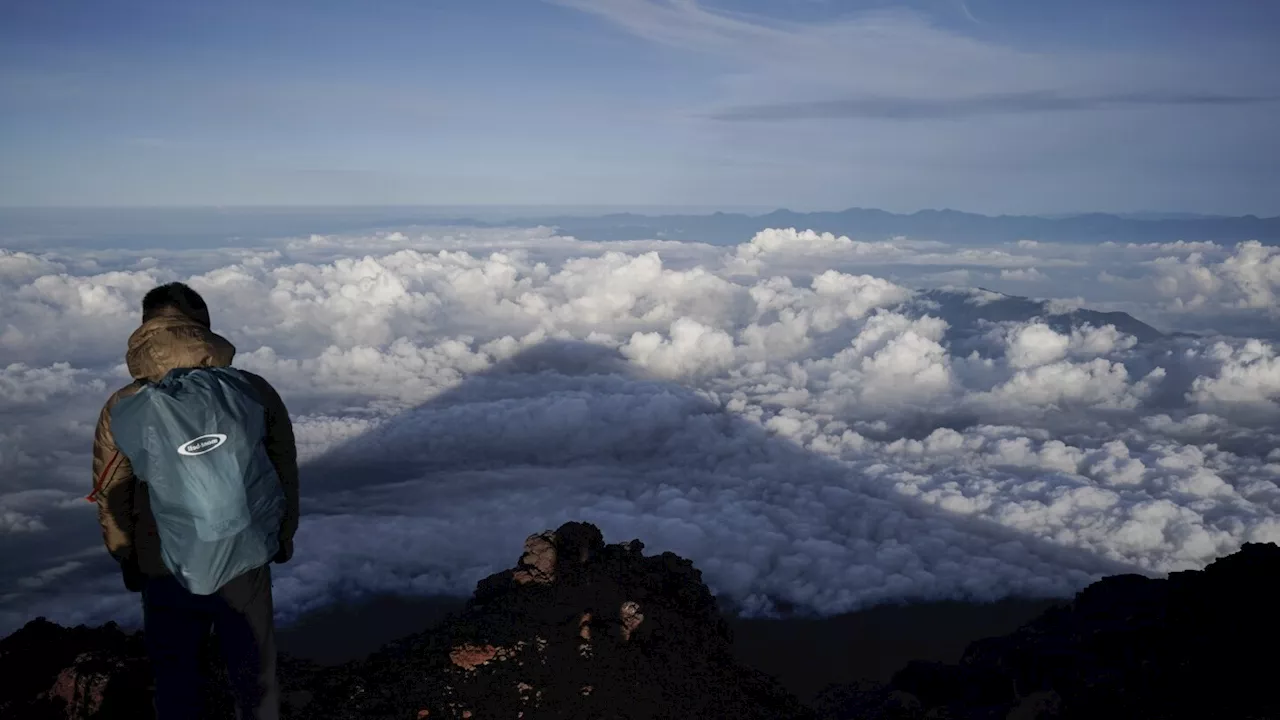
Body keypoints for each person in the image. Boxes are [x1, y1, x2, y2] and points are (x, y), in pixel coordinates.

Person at [90, 282, 299, 720]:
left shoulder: (124, 405)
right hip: (246, 551)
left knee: (176, 678)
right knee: (254, 677)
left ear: (146, 328)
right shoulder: (251, 389)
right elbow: (281, 465)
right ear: (202, 327)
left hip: (163, 560)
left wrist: (125, 554)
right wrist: (283, 533)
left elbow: (113, 490)